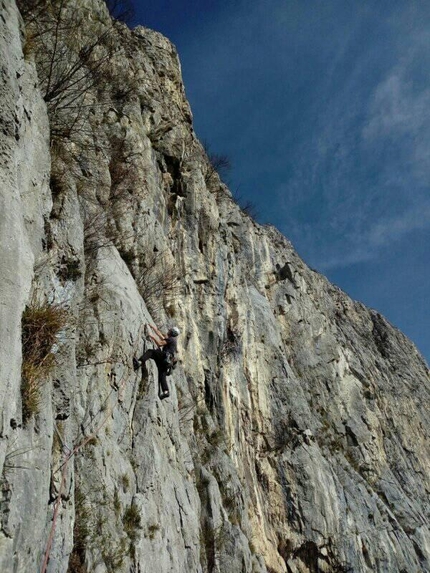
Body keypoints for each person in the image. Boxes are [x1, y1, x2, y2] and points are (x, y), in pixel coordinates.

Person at [133, 324, 180, 400]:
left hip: (165, 356)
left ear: (171, 332)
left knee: (150, 352)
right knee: (162, 375)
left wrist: (152, 336)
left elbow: (159, 343)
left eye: (170, 330)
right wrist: (153, 328)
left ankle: (139, 362)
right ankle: (166, 391)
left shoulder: (171, 339)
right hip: (167, 362)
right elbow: (161, 336)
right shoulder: (172, 340)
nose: (168, 330)